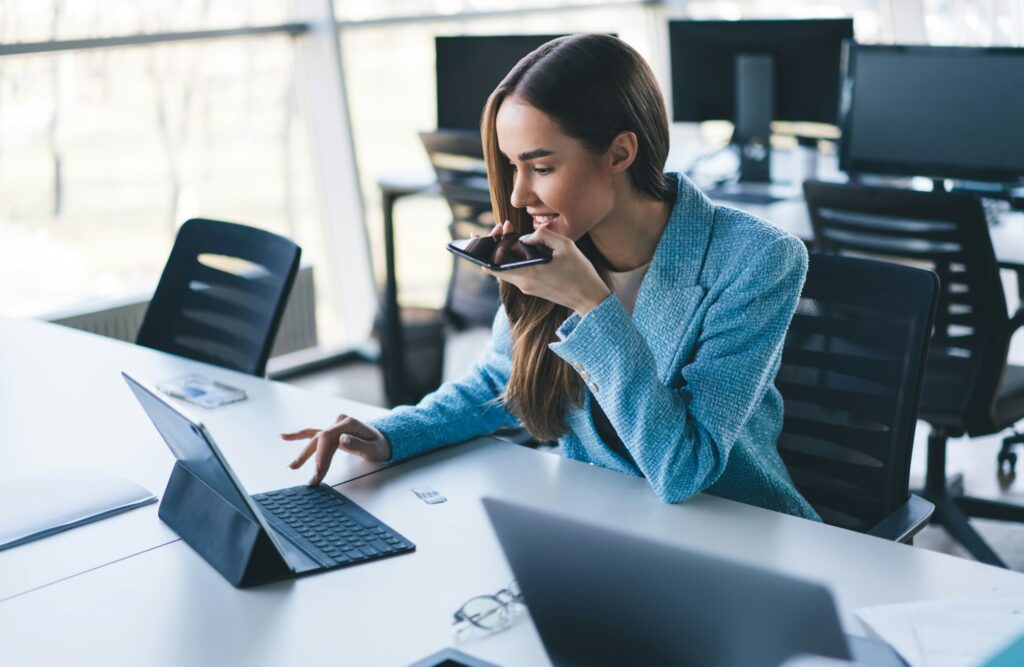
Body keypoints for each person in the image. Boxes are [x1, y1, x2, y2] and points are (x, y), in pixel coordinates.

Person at [282, 34, 819, 520]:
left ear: (620, 153)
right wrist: (388, 433)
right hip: (600, 517)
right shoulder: (556, 244)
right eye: (512, 165)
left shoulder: (758, 259)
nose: (518, 195)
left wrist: (591, 303)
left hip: (733, 528)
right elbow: (502, 380)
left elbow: (684, 471)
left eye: (541, 168)